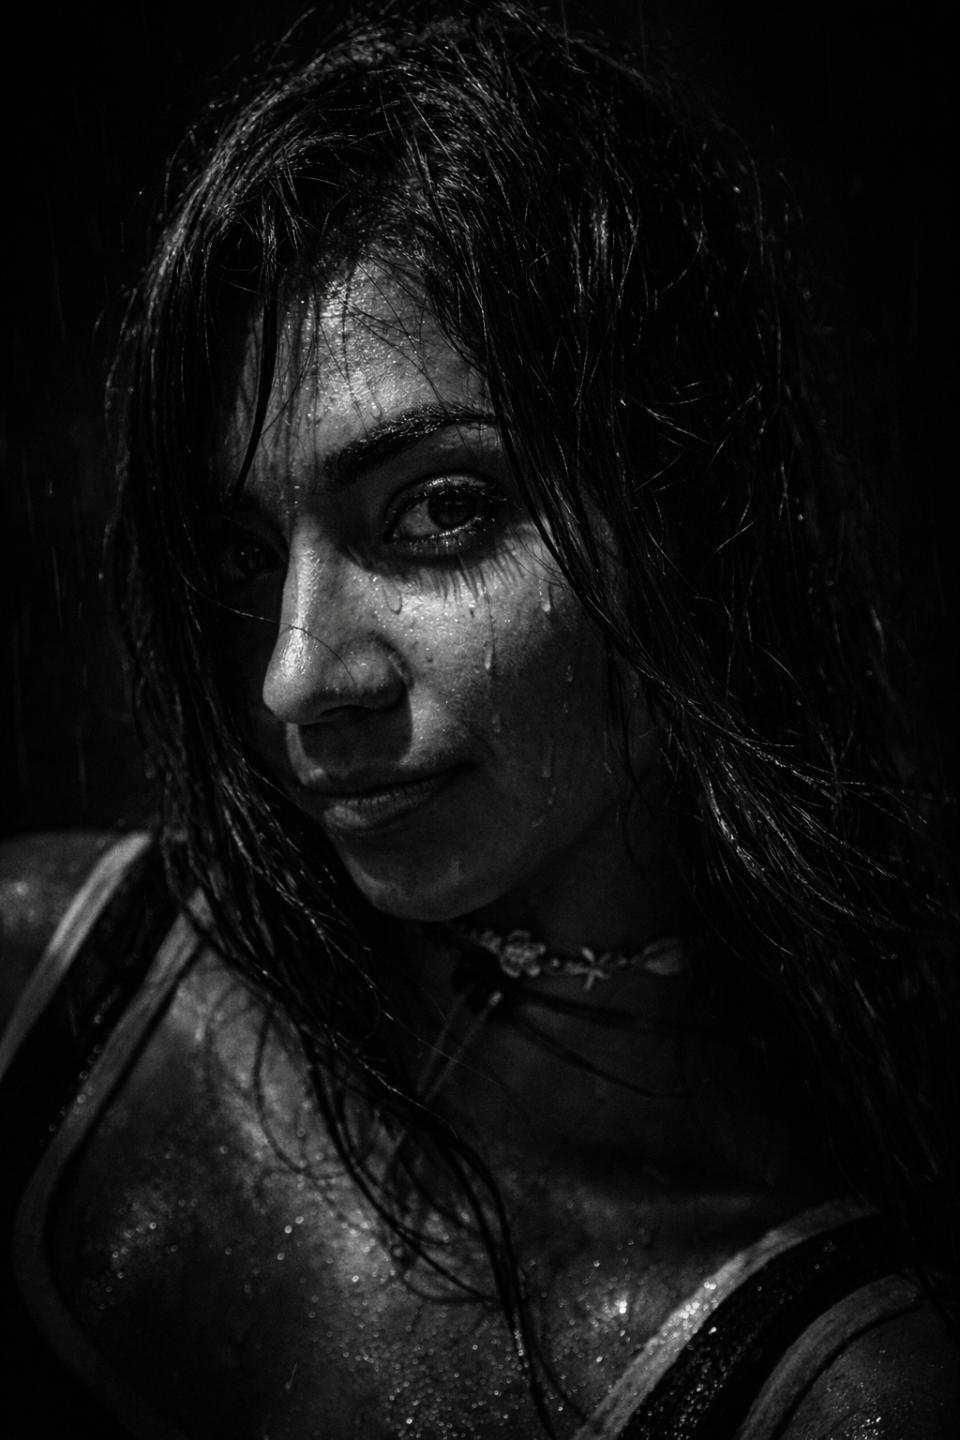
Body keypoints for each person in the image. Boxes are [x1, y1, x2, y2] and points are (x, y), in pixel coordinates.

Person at [1, 4, 957, 1436]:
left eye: (438, 510)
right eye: (245, 559)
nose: (295, 677)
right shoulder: (43, 995)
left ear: (687, 509)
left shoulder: (837, 1390)